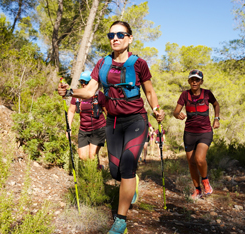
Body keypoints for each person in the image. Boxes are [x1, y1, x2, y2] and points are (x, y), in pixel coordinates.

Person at [58, 21, 164, 234]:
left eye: (120, 34)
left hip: (136, 120)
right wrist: (69, 92)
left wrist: (156, 108)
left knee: (126, 165)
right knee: (115, 171)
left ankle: (121, 219)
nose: (115, 38)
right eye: (111, 34)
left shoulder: (139, 64)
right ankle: (130, 182)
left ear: (129, 38)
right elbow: (89, 92)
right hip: (113, 122)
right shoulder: (102, 64)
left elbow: (149, 92)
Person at [173, 69, 220, 199]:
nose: (194, 82)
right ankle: (197, 190)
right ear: (189, 81)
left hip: (205, 132)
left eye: (197, 80)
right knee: (191, 162)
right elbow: (175, 112)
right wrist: (178, 115)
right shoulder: (184, 95)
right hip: (189, 133)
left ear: (201, 82)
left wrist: (216, 118)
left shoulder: (207, 94)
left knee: (199, 159)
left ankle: (206, 182)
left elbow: (216, 104)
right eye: (192, 79)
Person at [67, 71, 107, 169]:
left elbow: (108, 112)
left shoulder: (99, 95)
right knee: (82, 156)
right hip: (84, 130)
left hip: (99, 129)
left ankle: (94, 179)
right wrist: (69, 128)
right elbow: (71, 111)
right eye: (82, 82)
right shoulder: (77, 96)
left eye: (86, 82)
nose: (83, 84)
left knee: (92, 156)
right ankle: (96, 169)